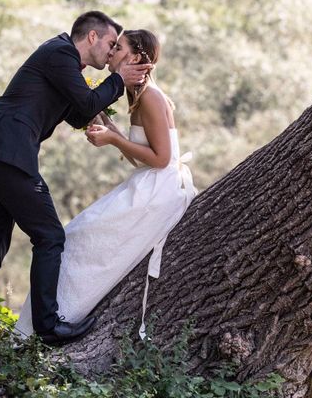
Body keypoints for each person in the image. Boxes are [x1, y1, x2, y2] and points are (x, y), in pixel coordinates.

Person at [0, 11, 151, 346]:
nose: (111, 52)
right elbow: (87, 99)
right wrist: (119, 79)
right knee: (50, 237)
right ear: (91, 37)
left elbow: (80, 111)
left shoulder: (66, 65)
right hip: (8, 158)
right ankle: (47, 327)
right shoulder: (59, 53)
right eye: (110, 43)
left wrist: (107, 125)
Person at [15, 29, 197, 340]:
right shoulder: (137, 94)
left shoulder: (151, 97)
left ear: (136, 58)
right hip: (147, 182)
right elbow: (143, 155)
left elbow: (162, 159)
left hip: (159, 189)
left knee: (81, 237)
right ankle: (44, 323)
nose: (111, 52)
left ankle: (57, 320)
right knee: (75, 235)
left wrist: (113, 138)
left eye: (119, 47)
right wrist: (109, 127)